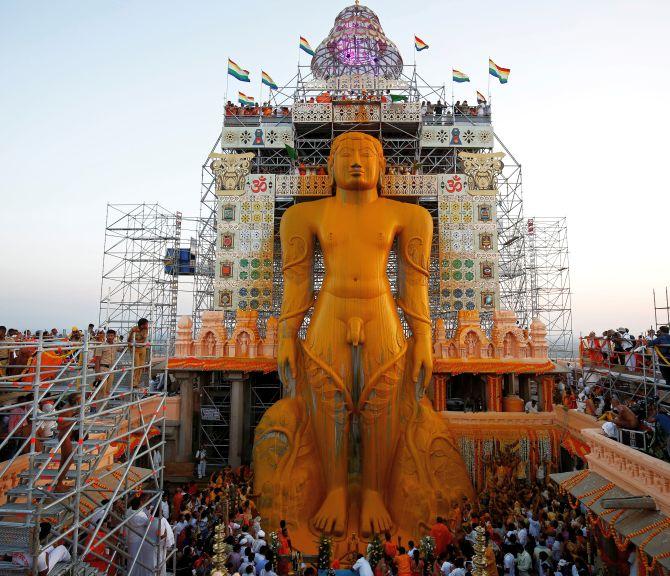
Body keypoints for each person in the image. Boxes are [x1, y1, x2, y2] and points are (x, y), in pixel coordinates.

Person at [93, 329, 119, 400]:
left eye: (112, 335)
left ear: (114, 336)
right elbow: (97, 360)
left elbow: (122, 349)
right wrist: (97, 373)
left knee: (108, 390)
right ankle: (99, 408)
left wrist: (130, 343)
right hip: (103, 368)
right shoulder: (101, 346)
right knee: (101, 389)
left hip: (111, 369)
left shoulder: (116, 345)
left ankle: (104, 407)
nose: (110, 337)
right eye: (108, 335)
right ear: (106, 336)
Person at [127, 318, 149, 387]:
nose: (147, 325)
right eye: (146, 324)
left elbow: (143, 340)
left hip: (142, 349)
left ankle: (137, 382)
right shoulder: (134, 329)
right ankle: (133, 382)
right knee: (136, 366)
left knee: (141, 366)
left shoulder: (146, 330)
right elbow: (128, 340)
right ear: (142, 325)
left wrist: (135, 342)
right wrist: (132, 332)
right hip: (135, 349)